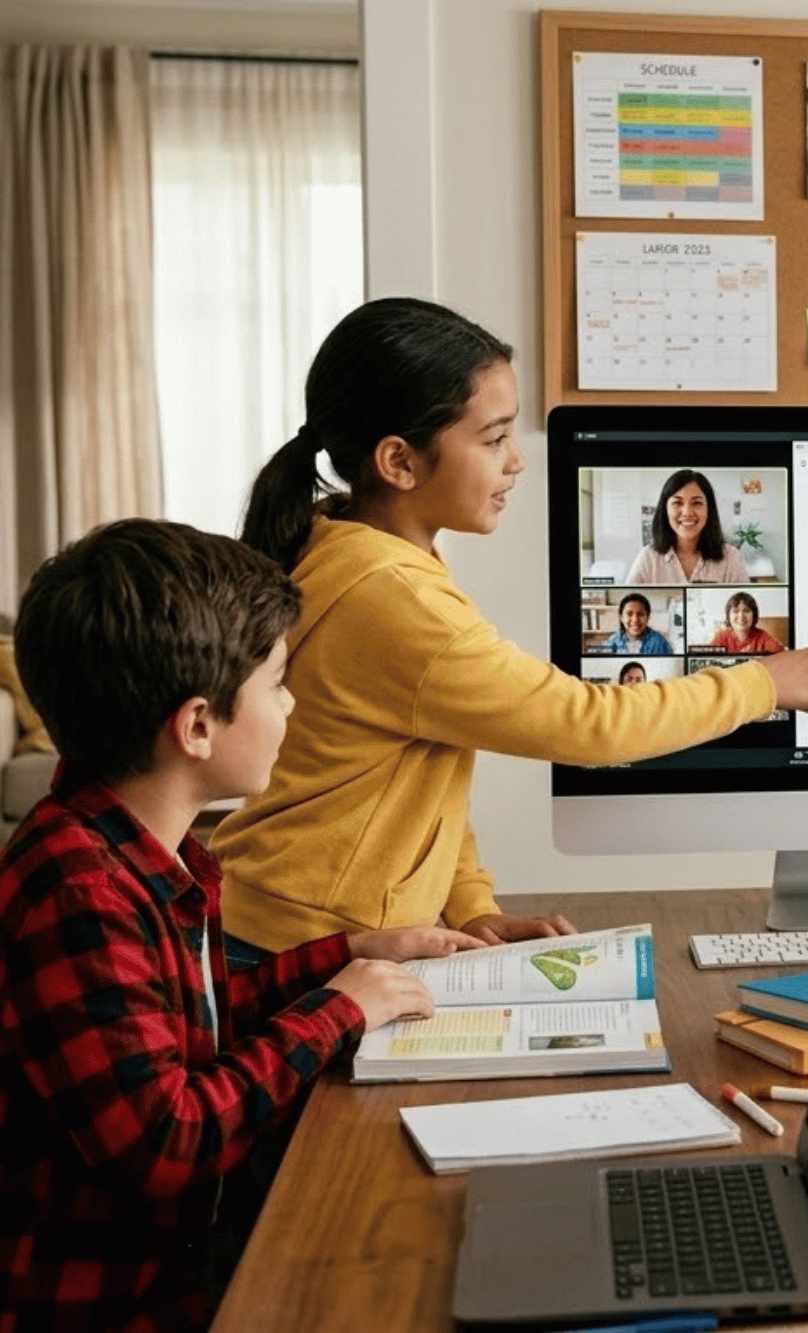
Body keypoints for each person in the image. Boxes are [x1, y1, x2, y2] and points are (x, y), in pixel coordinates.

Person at [217, 298, 808, 958]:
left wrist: (469, 906)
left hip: (301, 925)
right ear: (400, 462)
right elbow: (587, 723)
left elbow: (420, 773)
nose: (516, 461)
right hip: (298, 944)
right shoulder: (391, 595)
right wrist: (761, 685)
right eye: (494, 439)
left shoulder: (364, 550)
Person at [0, 520, 476, 1327]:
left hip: (176, 1275)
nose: (292, 706)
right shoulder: (76, 886)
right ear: (195, 726)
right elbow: (168, 1140)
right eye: (279, 683)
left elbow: (190, 1023)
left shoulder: (143, 842)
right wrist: (342, 1009)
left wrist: (350, 955)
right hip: (106, 1308)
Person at [625, 470, 750, 584]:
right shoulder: (648, 558)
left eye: (697, 503)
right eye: (677, 503)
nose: (687, 512)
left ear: (709, 509)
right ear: (665, 509)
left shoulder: (731, 558)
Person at [709, 591, 785, 655]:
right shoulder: (721, 637)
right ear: (728, 616)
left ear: (754, 615)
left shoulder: (763, 637)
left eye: (746, 611)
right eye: (735, 611)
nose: (741, 616)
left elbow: (782, 654)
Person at [604, 592, 671, 655]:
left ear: (648, 617)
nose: (635, 620)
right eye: (629, 614)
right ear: (621, 617)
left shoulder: (659, 642)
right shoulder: (613, 641)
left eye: (641, 614)